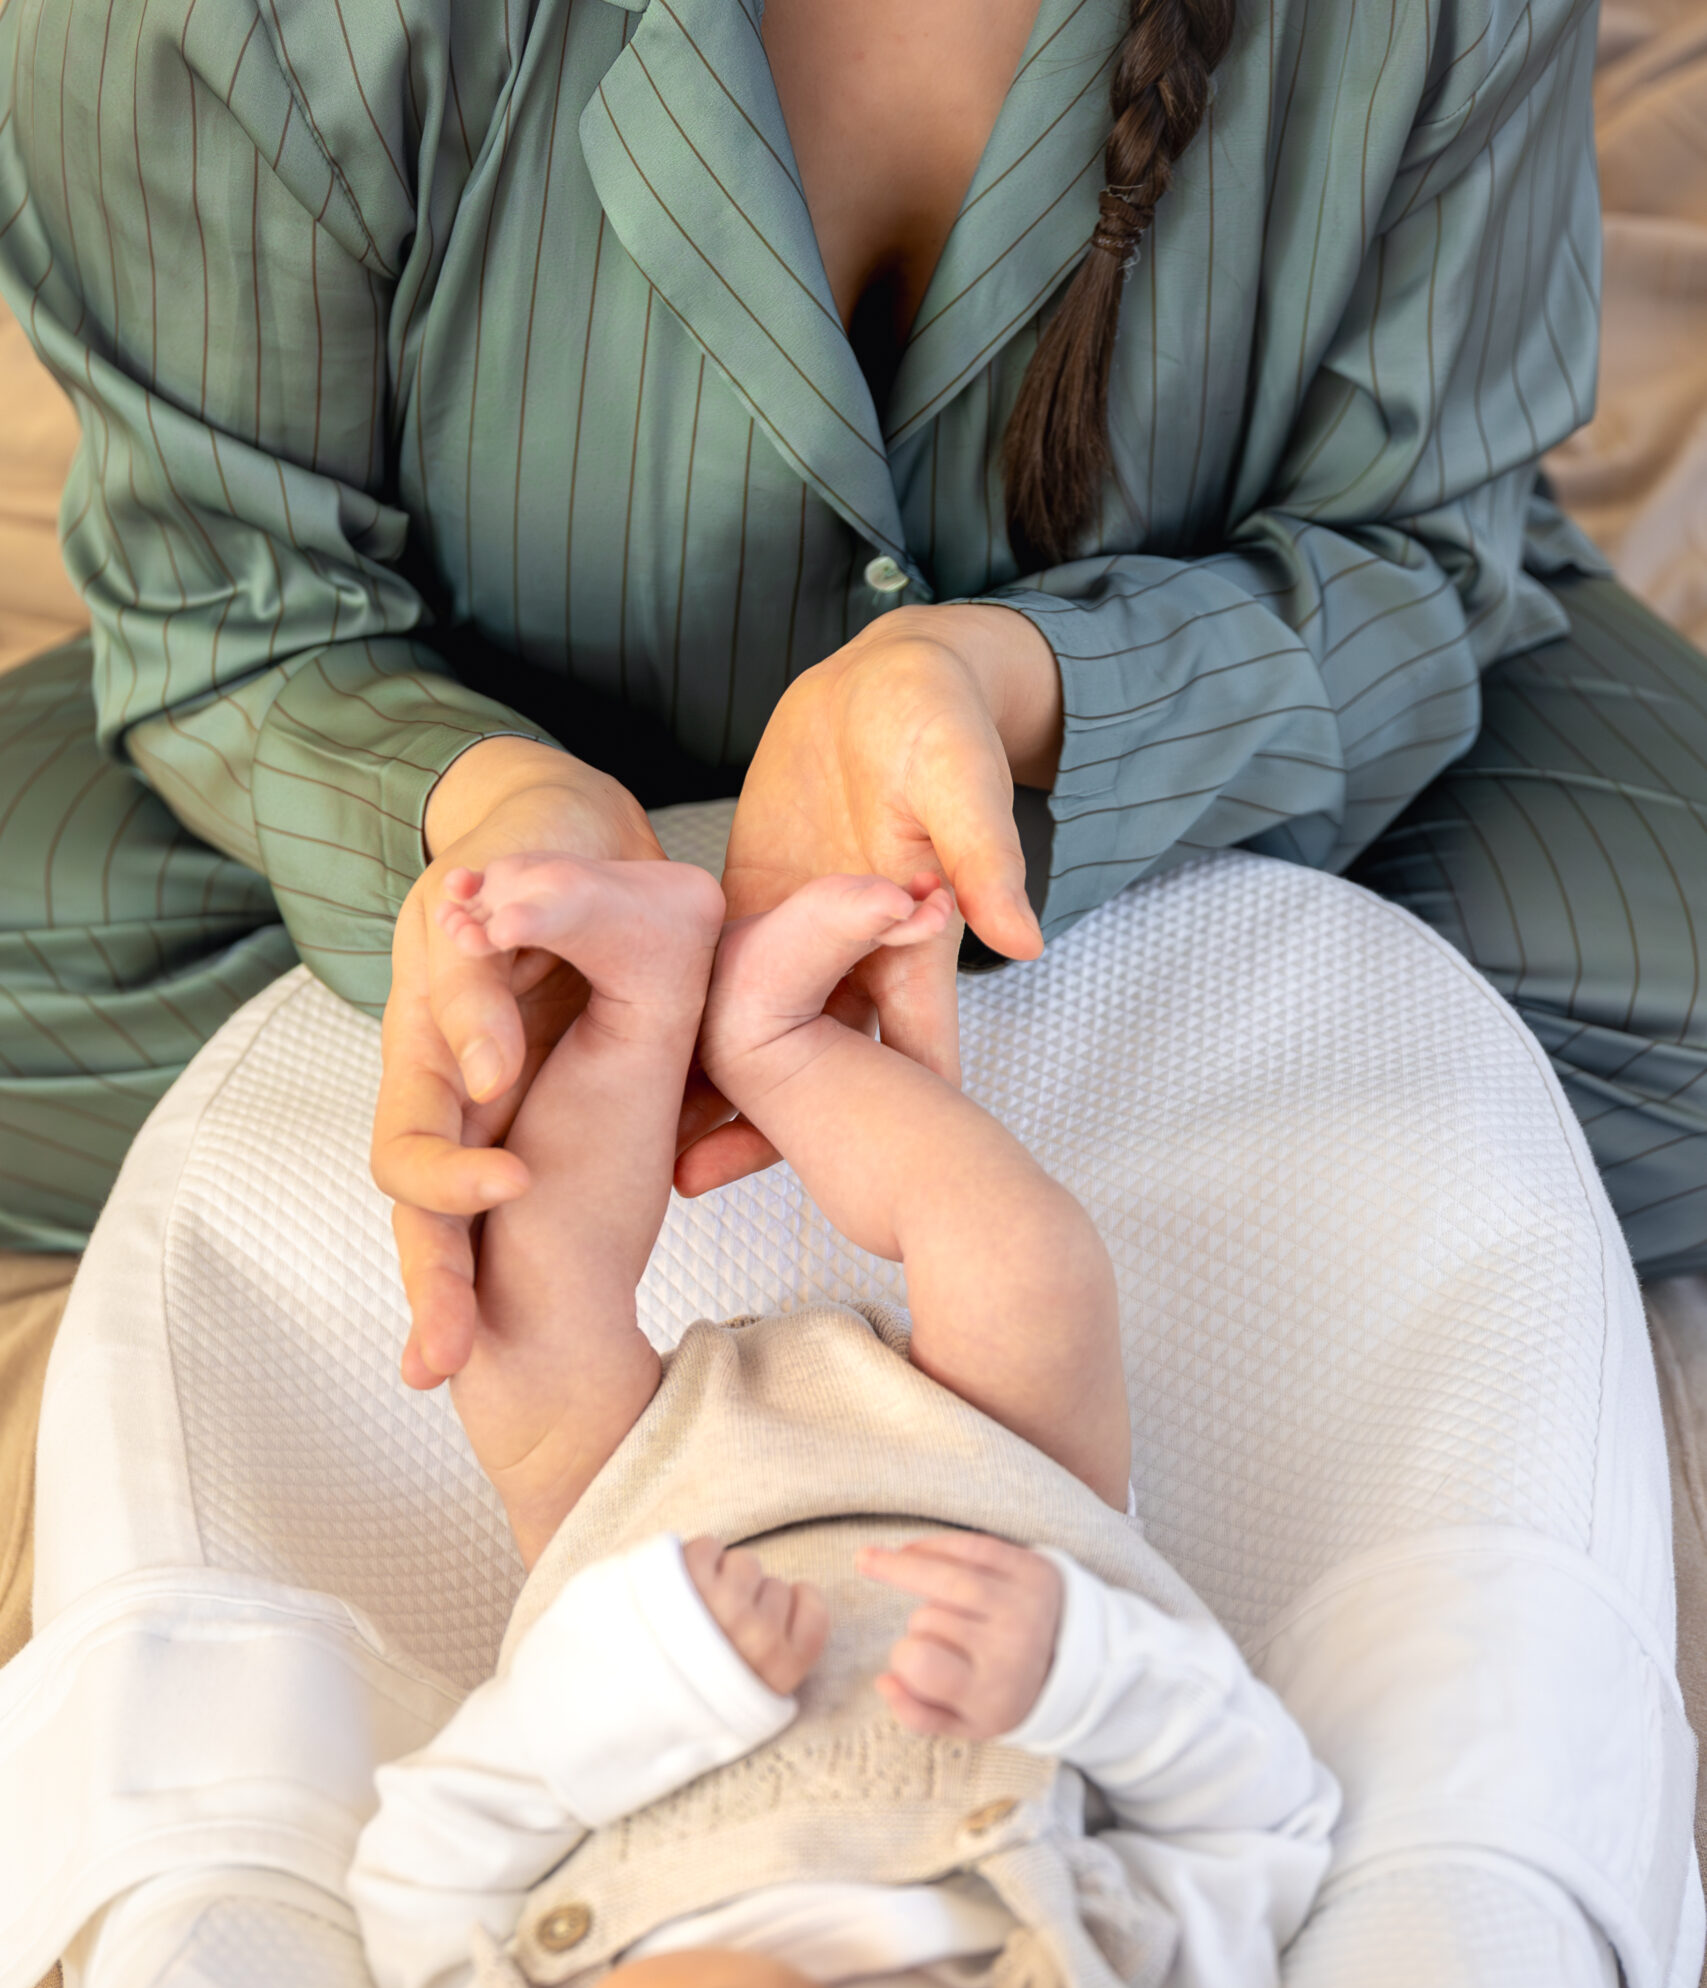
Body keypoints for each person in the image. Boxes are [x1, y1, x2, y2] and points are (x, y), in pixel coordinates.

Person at [2, 0, 1706, 1311]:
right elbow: (234, 595)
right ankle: (933, 1098)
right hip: (442, 724)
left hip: (1201, 724)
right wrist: (488, 828)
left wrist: (1017, 690)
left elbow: (1410, 556)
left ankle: (767, 1080)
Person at [348, 850, 1339, 1988]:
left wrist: (631, 1692)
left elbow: (427, 1862)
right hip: (989, 1492)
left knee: (521, 1317)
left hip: (650, 1540)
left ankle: (645, 996)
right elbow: (1266, 1815)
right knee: (1026, 1264)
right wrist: (1082, 1671)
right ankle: (789, 1042)